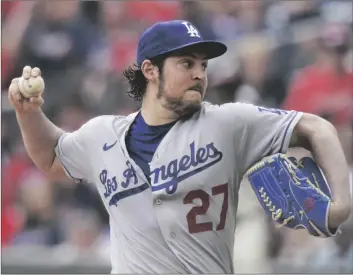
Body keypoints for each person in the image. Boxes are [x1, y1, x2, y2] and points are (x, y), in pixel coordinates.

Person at [8, 20, 352, 274]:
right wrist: (29, 113)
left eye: (203, 65)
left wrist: (341, 205)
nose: (200, 74)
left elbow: (316, 127)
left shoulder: (227, 123)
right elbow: (52, 155)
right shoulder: (102, 135)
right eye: (186, 63)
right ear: (150, 70)